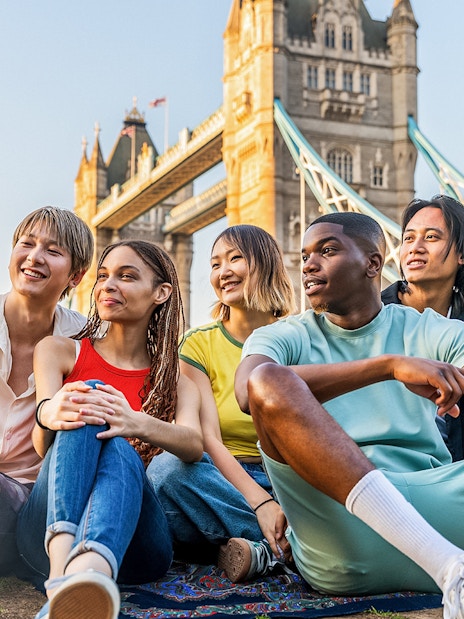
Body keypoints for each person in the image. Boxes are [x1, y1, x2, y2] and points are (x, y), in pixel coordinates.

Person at [235, 212, 464, 619]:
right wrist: (387, 366)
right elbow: (248, 390)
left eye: (327, 250)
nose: (307, 264)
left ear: (373, 265)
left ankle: (452, 571)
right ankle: (447, 564)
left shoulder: (431, 329)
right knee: (269, 380)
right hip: (339, 522)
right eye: (305, 255)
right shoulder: (285, 334)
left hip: (436, 499)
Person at [17, 240, 202, 619]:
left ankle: (82, 577)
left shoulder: (176, 379)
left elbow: (194, 445)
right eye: (103, 276)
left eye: (127, 276)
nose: (107, 285)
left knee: (116, 439)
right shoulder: (58, 350)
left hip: (136, 543)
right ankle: (67, 579)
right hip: (47, 528)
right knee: (90, 397)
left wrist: (133, 421)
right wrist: (50, 412)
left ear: (161, 293)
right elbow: (42, 449)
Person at [147, 224, 296, 582]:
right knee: (165, 473)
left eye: (235, 259)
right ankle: (294, 547)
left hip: (288, 478)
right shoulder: (197, 344)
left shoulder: (299, 335)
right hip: (221, 480)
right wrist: (260, 503)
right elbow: (208, 439)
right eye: (215, 264)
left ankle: (248, 549)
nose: (223, 272)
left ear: (266, 264)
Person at [0, 206, 93, 578]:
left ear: (76, 275)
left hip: (39, 501)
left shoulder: (87, 340)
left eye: (53, 251)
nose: (34, 257)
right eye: (26, 243)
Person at [382, 194, 464, 460]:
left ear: (461, 254)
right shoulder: (370, 315)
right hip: (385, 472)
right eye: (408, 238)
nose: (415, 247)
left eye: (431, 237)